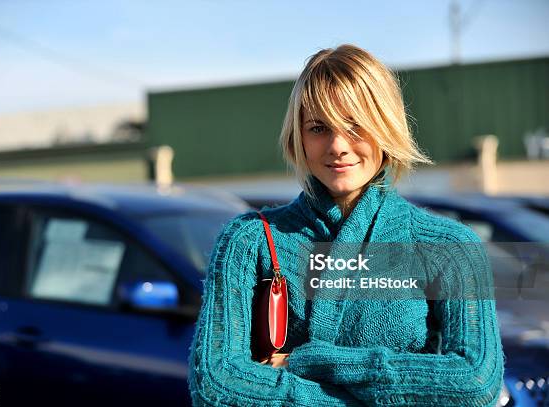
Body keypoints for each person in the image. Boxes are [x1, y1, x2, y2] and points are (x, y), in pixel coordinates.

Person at [188, 44, 505, 406]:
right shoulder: (248, 242)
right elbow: (216, 384)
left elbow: (476, 382)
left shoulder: (450, 247)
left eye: (356, 125)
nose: (337, 145)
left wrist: (314, 361)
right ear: (299, 137)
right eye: (319, 127)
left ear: (386, 126)